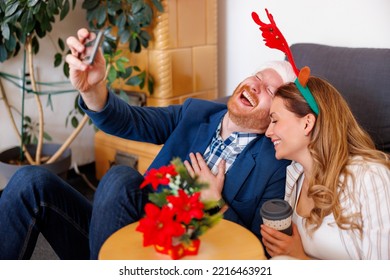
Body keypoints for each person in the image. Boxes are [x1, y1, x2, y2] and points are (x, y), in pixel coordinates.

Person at [0, 28, 296, 259]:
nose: (257, 84)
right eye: (257, 76)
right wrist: (93, 89)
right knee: (30, 180)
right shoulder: (195, 113)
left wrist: (214, 205)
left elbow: (262, 252)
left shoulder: (274, 162)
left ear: (275, 114)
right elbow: (130, 120)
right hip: (120, 233)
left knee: (118, 176)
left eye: (270, 89)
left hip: (181, 257)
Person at [261, 75, 390, 259]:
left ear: (307, 123)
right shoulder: (294, 175)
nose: (268, 132)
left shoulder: (370, 177)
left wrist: (300, 260)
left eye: (275, 120)